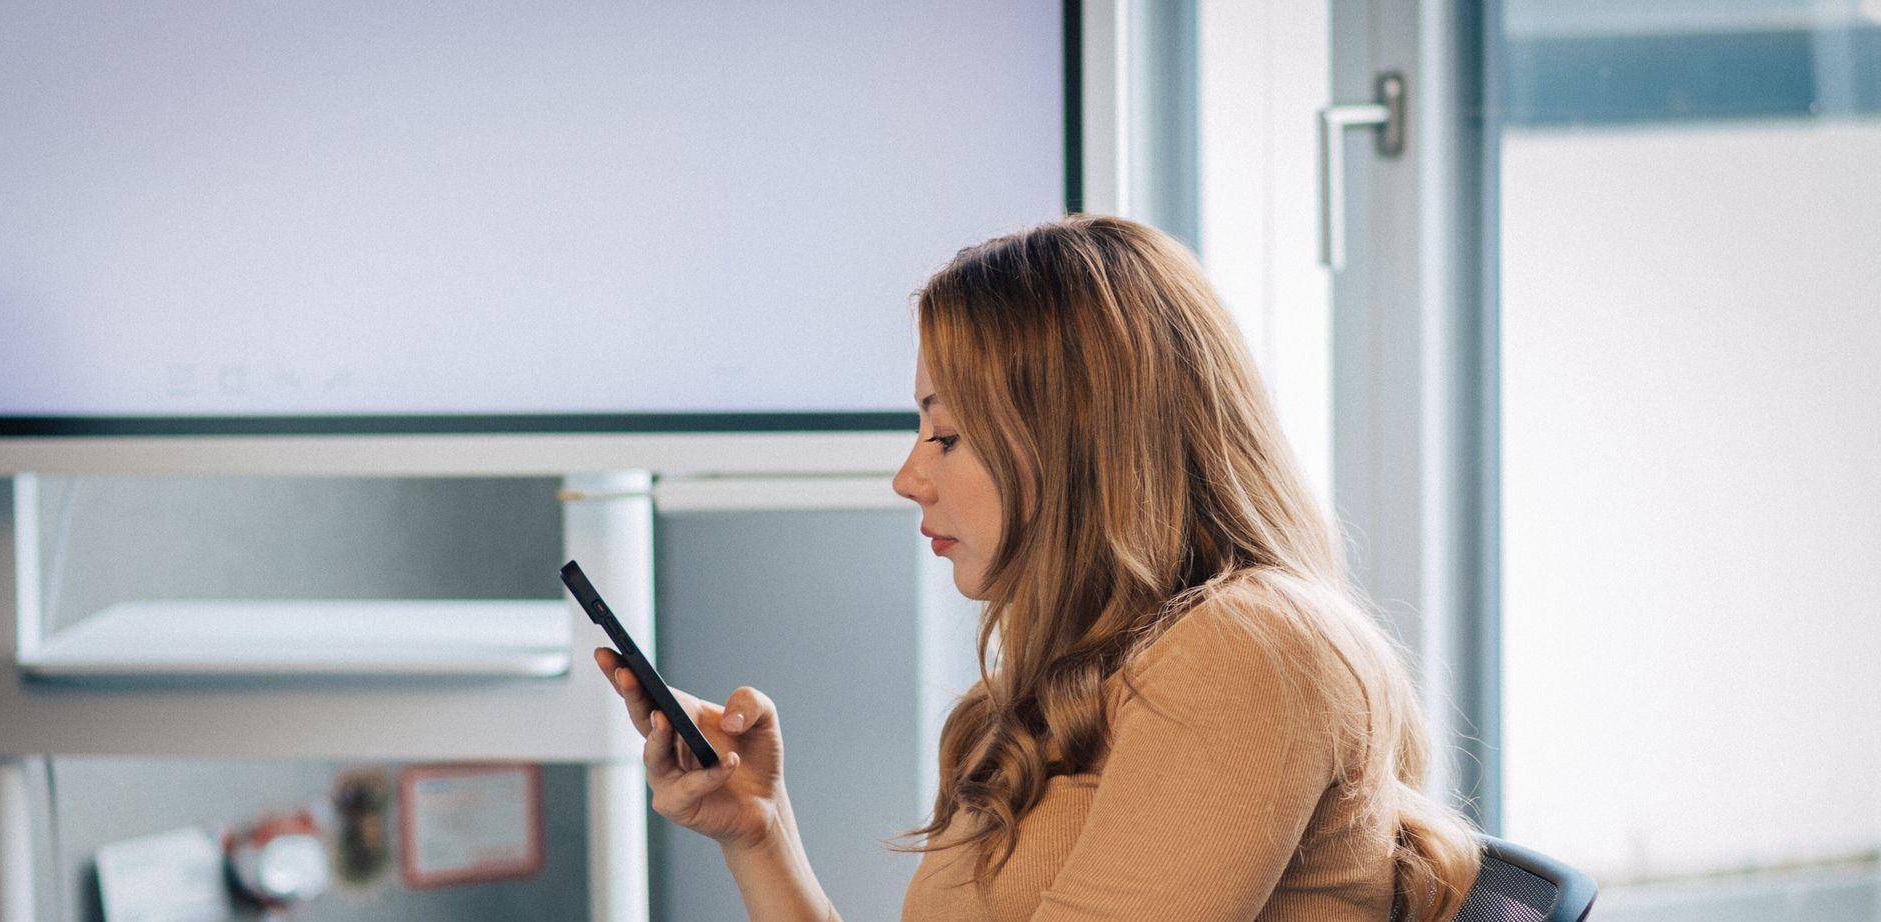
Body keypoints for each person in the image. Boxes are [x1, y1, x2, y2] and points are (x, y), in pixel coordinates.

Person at [592, 214, 1482, 921]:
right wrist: (758, 832)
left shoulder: (1253, 649)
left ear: (1078, 442)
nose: (910, 478)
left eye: (946, 434)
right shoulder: (1070, 685)